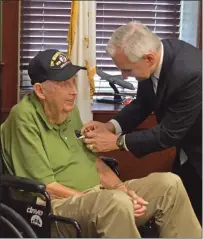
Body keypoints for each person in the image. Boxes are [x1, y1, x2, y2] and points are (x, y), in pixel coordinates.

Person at [0, 49, 201, 238]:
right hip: (53, 208)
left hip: (98, 197)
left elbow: (95, 163)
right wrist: (99, 200)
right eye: (63, 84)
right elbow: (47, 187)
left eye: (73, 82)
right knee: (116, 204)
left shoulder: (69, 111)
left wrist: (124, 191)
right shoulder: (23, 118)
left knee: (169, 185)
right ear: (40, 91)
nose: (74, 91)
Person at [81, 21, 202, 224]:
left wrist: (117, 142)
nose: (124, 76)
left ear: (149, 58)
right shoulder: (153, 57)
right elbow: (143, 103)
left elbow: (168, 134)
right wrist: (110, 126)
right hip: (188, 151)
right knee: (188, 213)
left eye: (127, 70)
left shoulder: (191, 72)